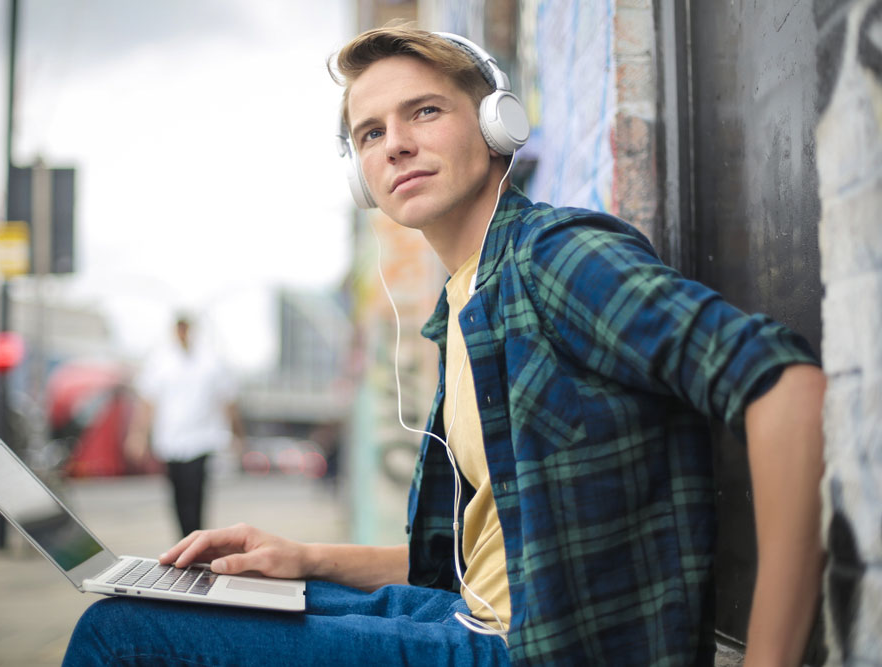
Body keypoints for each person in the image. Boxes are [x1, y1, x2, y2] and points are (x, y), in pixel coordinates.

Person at [64, 26, 825, 666]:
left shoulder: (552, 257)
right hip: (469, 619)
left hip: (530, 648)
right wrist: (304, 556)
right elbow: (480, 568)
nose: (396, 146)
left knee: (120, 634)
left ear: (498, 124)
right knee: (214, 593)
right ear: (361, 174)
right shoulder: (461, 302)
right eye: (371, 133)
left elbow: (785, 384)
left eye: (424, 112)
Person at [125, 314, 244, 537]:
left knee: (195, 492)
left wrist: (237, 434)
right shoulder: (160, 361)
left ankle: (195, 538)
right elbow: (147, 402)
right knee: (178, 495)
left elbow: (228, 400)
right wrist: (138, 435)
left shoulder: (211, 361)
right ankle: (184, 539)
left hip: (201, 439)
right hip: (170, 440)